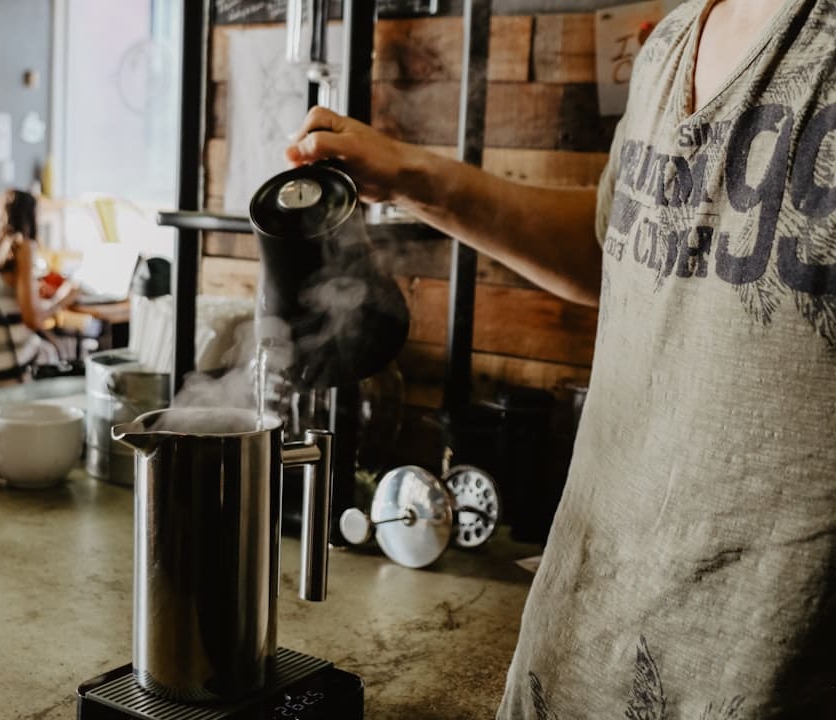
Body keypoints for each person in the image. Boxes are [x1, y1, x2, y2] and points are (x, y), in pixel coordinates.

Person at [287, 0, 834, 716]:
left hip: (763, 682)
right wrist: (413, 177)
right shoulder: (671, 40)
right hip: (574, 657)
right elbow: (618, 248)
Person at [0, 189, 78, 383]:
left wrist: (33, 292)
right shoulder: (21, 247)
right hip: (12, 369)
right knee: (65, 354)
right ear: (29, 218)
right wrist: (61, 300)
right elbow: (33, 320)